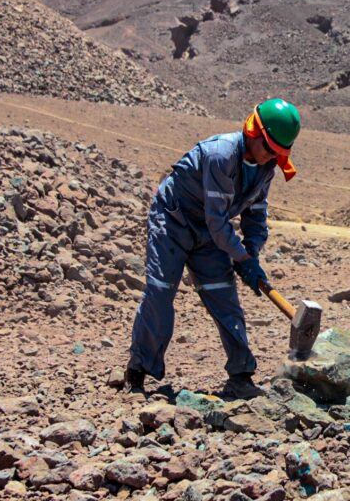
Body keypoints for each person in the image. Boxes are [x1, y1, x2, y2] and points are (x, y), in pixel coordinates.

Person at [123, 98, 301, 399]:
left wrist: (252, 254)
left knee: (223, 295)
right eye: (270, 150)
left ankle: (241, 374)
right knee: (161, 291)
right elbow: (218, 221)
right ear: (253, 132)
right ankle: (137, 373)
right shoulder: (221, 155)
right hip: (174, 221)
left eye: (279, 154)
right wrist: (241, 257)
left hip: (209, 232)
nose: (272, 158)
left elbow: (255, 215)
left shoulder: (266, 167)